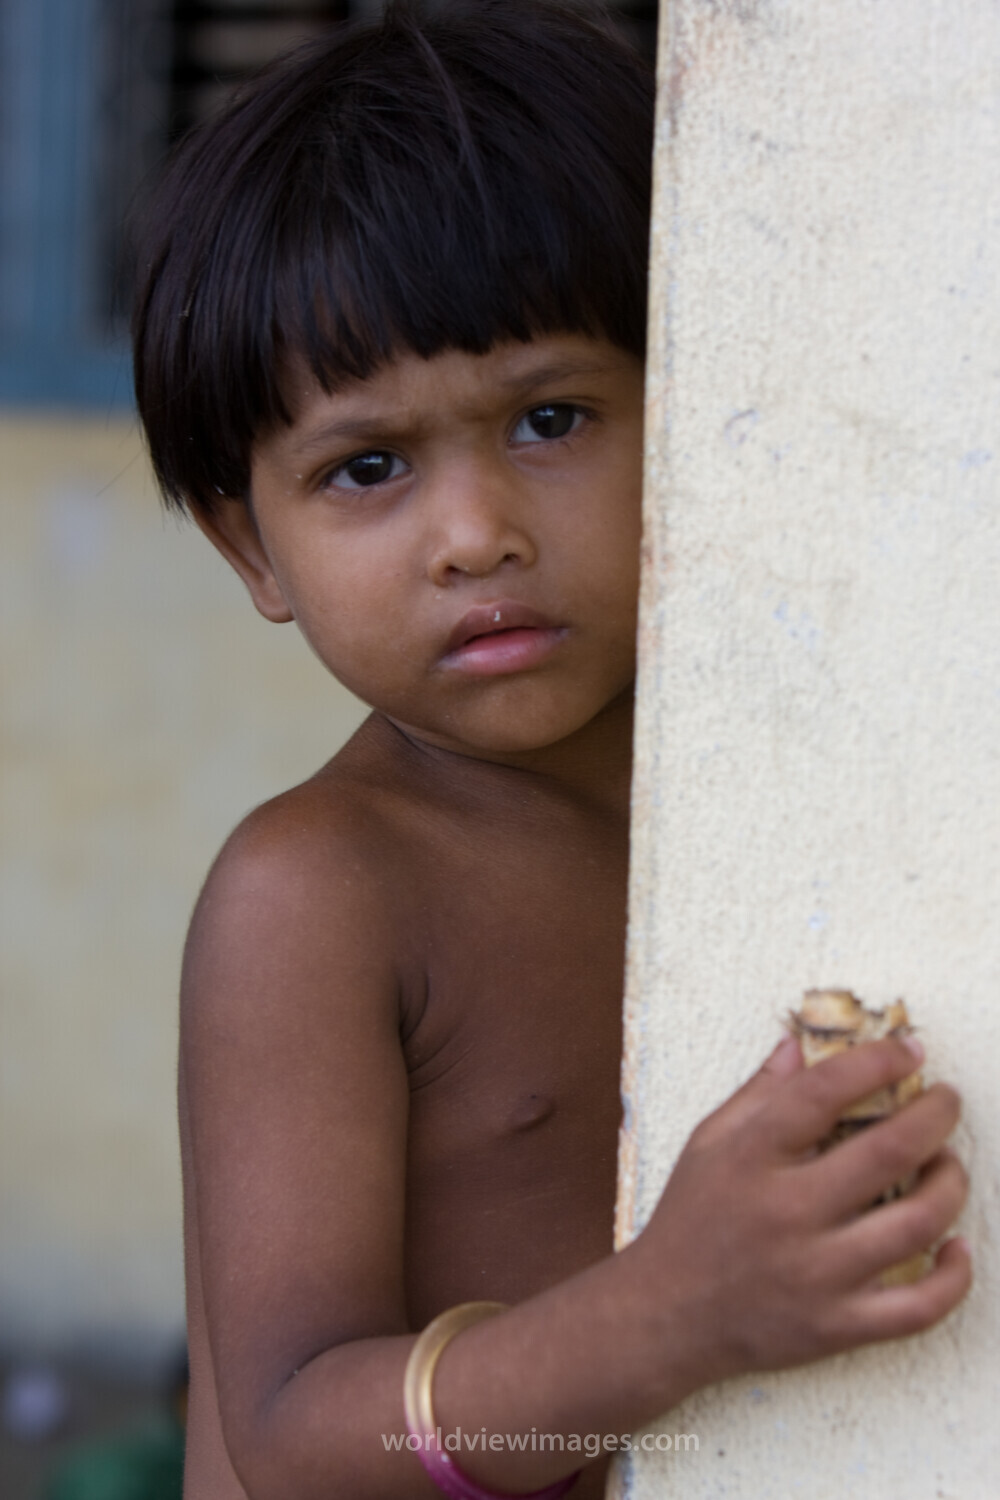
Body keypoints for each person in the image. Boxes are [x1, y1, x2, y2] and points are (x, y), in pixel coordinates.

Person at [130, 3, 971, 1497]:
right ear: (250, 544)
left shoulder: (803, 780)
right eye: (367, 467)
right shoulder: (321, 894)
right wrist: (670, 1318)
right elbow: (297, 1439)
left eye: (553, 416)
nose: (477, 537)